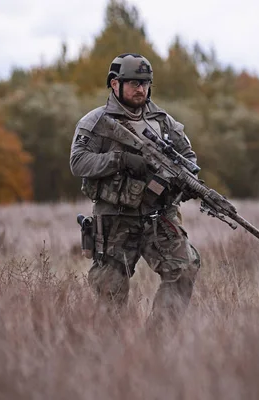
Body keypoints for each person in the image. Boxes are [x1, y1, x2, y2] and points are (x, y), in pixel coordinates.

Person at [69, 53, 201, 336]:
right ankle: (113, 360)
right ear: (115, 84)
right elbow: (78, 162)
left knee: (185, 268)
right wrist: (120, 160)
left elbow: (188, 157)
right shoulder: (96, 122)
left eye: (145, 83)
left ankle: (156, 342)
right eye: (133, 83)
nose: (141, 89)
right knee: (110, 294)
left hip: (157, 218)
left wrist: (185, 182)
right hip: (116, 220)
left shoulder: (164, 122)